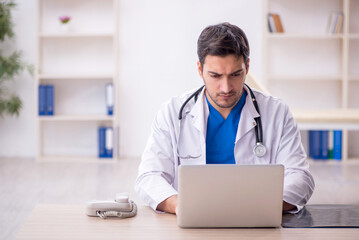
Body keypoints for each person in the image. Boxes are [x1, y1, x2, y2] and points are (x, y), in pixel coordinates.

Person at [135, 22, 315, 214]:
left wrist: (260, 208)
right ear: (199, 69)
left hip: (255, 222)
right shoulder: (172, 113)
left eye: (235, 74)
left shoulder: (276, 112)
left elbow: (300, 177)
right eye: (215, 75)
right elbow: (149, 177)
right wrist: (183, 207)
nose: (226, 87)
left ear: (247, 66)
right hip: (194, 221)